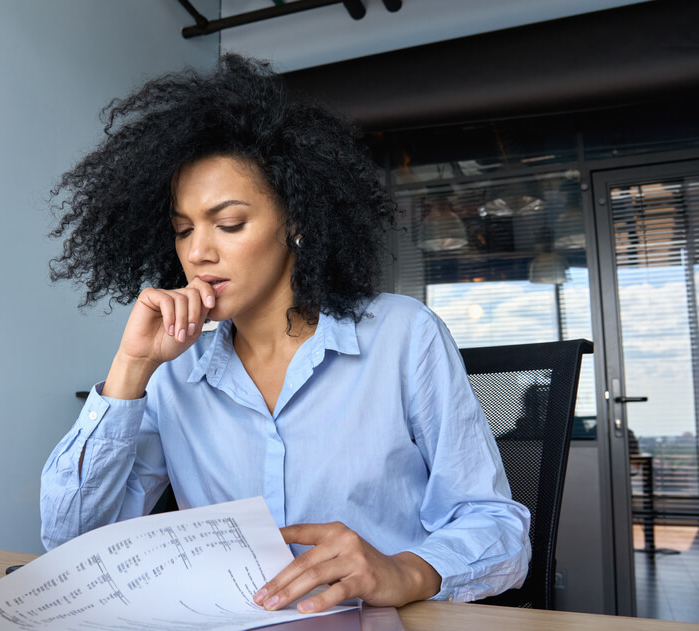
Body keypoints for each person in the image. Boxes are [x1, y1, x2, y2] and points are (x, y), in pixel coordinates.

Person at [40, 54, 530, 613]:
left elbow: (496, 525)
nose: (198, 252)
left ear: (296, 221)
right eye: (182, 230)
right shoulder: (175, 368)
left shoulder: (403, 336)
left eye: (229, 224)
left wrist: (404, 572)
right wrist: (130, 368)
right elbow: (71, 542)